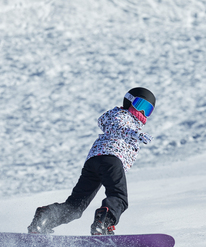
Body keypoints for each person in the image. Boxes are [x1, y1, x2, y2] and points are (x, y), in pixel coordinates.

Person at [28, 87, 156, 235]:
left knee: (75, 207)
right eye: (140, 105)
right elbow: (116, 126)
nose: (142, 113)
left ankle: (44, 218)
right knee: (119, 198)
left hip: (94, 162)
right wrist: (135, 133)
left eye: (148, 110)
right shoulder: (121, 116)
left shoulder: (126, 120)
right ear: (129, 101)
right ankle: (102, 224)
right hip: (111, 160)